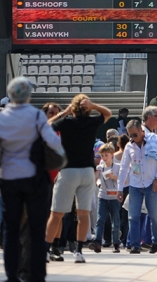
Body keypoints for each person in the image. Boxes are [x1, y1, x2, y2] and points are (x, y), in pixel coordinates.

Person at [0, 76, 66, 282]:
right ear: (28, 95)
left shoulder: (1, 119)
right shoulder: (36, 116)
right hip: (34, 178)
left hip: (9, 179)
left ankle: (12, 275)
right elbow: (53, 143)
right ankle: (37, 275)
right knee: (36, 229)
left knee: (12, 229)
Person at [45, 93, 111, 263]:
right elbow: (108, 113)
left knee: (57, 213)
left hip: (68, 171)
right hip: (88, 172)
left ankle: (47, 249)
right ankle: (79, 252)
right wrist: (94, 106)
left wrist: (64, 112)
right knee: (83, 214)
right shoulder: (92, 122)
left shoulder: (66, 122)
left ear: (72, 108)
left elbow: (47, 124)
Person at [119, 117, 157, 254]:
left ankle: (156, 241)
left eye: (135, 134)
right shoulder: (129, 146)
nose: (133, 138)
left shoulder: (156, 142)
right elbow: (124, 168)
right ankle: (135, 245)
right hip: (135, 184)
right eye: (130, 135)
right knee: (133, 215)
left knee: (154, 215)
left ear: (142, 131)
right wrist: (120, 189)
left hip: (151, 183)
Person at [92, 143, 121, 253]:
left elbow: (124, 181)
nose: (104, 158)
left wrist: (114, 177)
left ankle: (116, 243)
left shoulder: (118, 166)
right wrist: (97, 179)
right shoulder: (100, 167)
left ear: (112, 155)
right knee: (100, 220)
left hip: (114, 197)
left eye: (106, 155)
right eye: (102, 156)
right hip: (103, 196)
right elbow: (96, 180)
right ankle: (97, 242)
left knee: (116, 221)